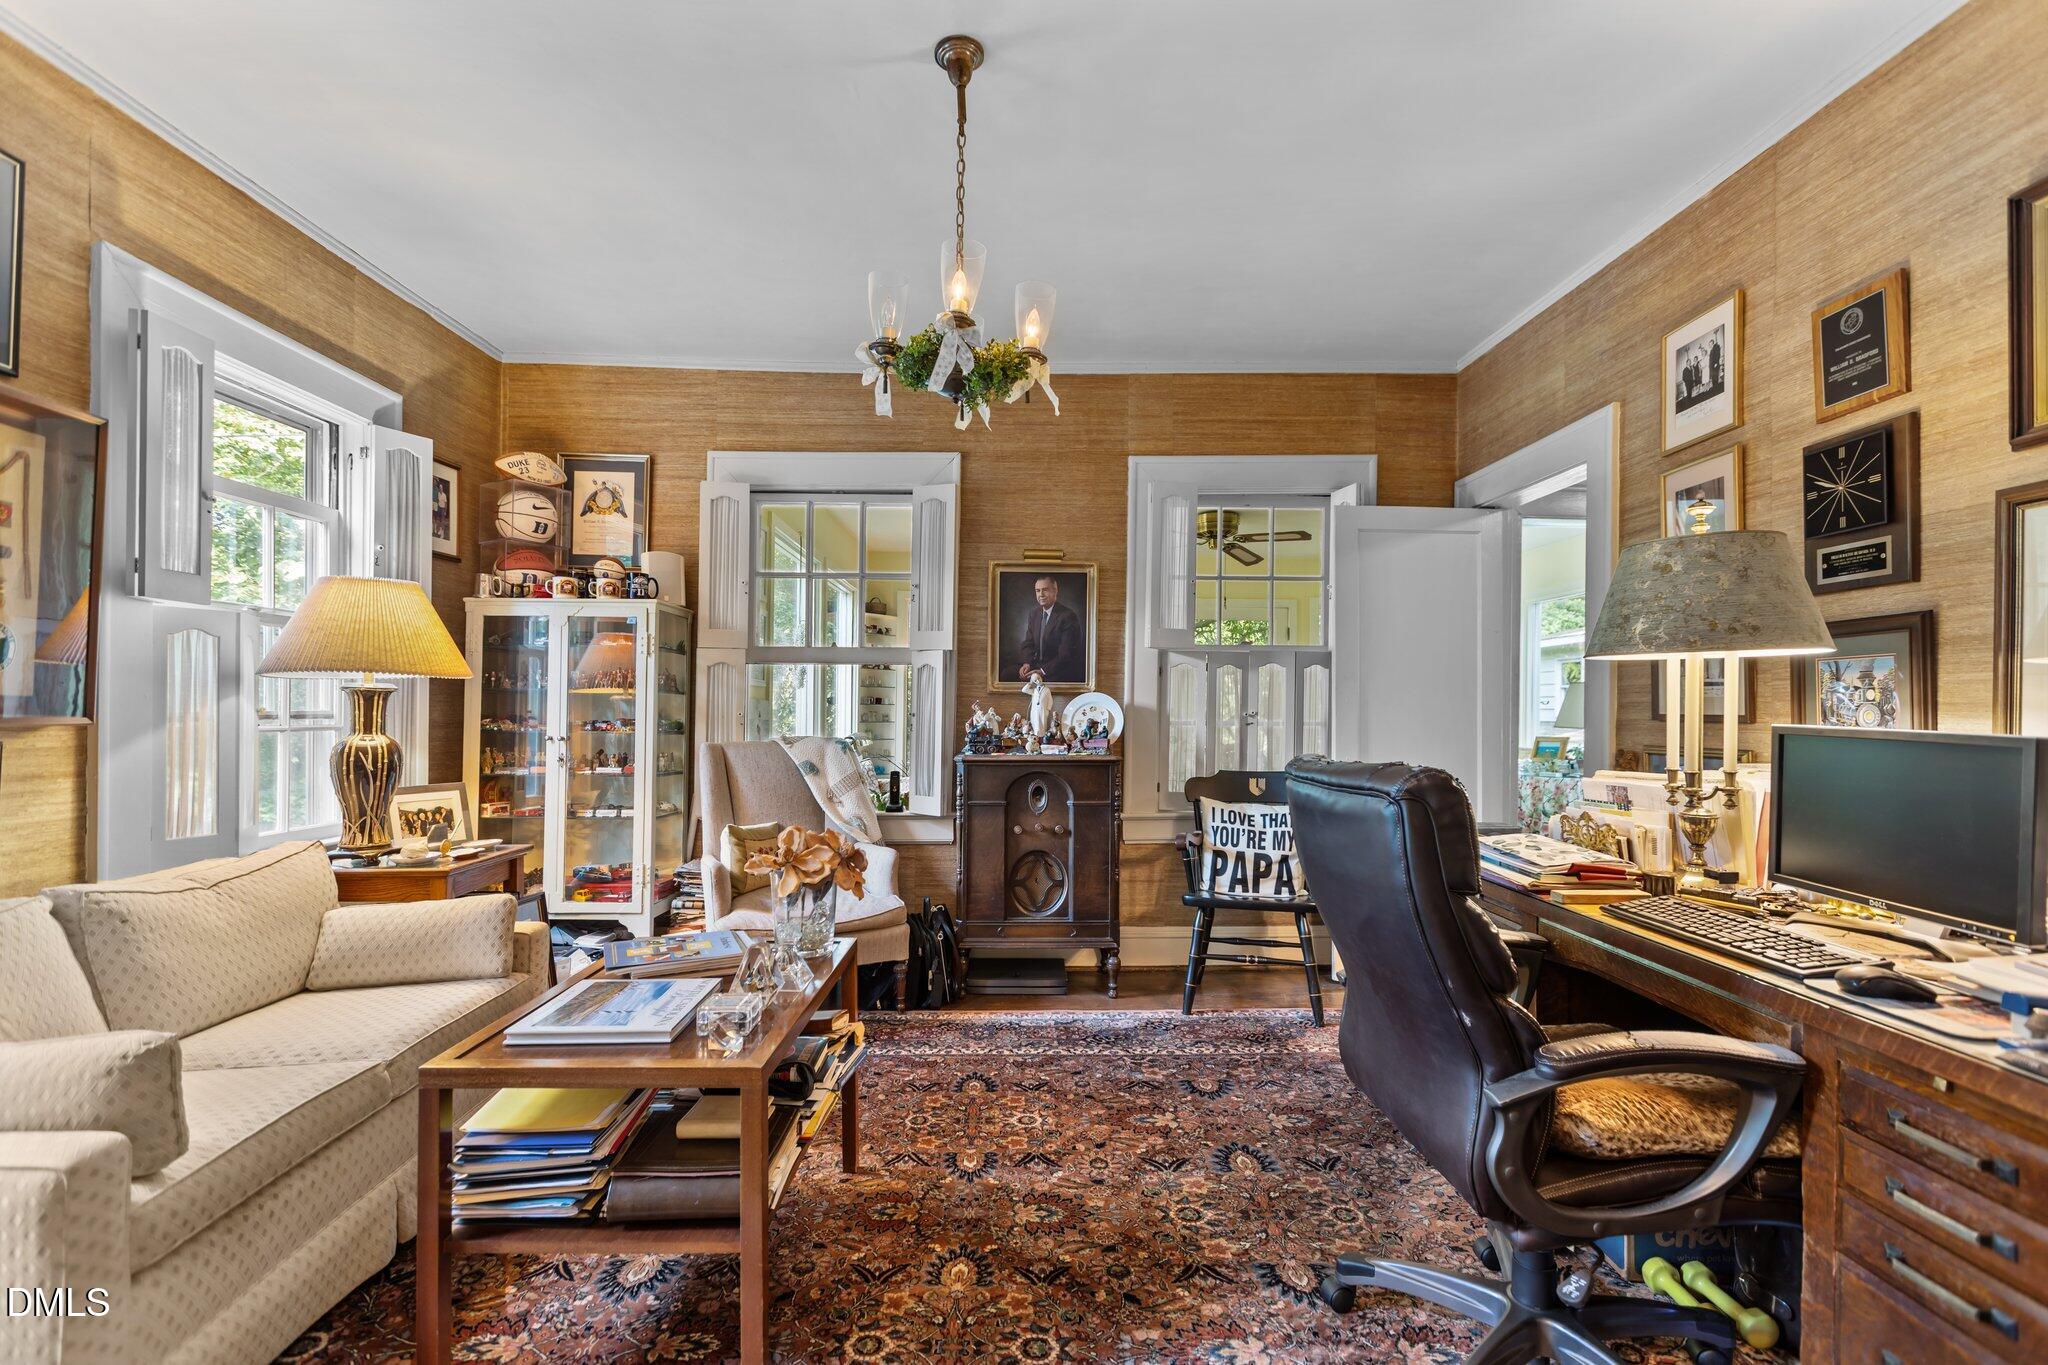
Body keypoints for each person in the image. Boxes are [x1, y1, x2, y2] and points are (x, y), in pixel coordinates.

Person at [1016, 575, 1083, 683]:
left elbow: (1065, 654)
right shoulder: (1034, 614)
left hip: (1058, 670)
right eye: (1037, 591)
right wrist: (1026, 663)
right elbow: (1028, 643)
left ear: (1055, 591)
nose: (1041, 594)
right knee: (1006, 674)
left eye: (1045, 590)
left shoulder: (1068, 616)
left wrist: (1042, 671)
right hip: (1037, 666)